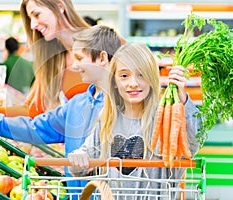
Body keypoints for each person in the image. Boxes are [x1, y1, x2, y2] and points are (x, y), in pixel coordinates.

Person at [0, 25, 122, 198]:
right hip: (78, 195)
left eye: (79, 58)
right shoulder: (77, 104)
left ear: (102, 58)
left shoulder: (124, 106)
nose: (74, 66)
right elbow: (35, 127)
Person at [67, 43, 202, 198]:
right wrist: (77, 158)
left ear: (151, 78)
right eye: (124, 76)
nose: (133, 83)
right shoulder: (107, 121)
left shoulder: (167, 119)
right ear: (114, 82)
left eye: (141, 74)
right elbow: (82, 167)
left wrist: (182, 97)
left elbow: (191, 145)